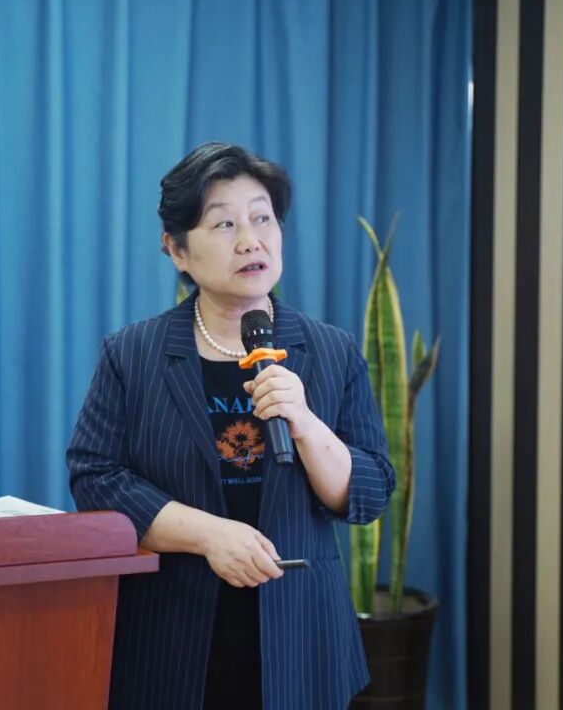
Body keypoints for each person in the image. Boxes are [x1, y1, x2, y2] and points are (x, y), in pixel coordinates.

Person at [67, 142, 395, 710]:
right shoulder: (134, 353)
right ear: (177, 250)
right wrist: (209, 534)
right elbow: (95, 478)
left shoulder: (331, 351)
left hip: (301, 636)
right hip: (171, 636)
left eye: (262, 218)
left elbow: (369, 492)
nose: (250, 240)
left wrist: (305, 423)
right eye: (223, 224)